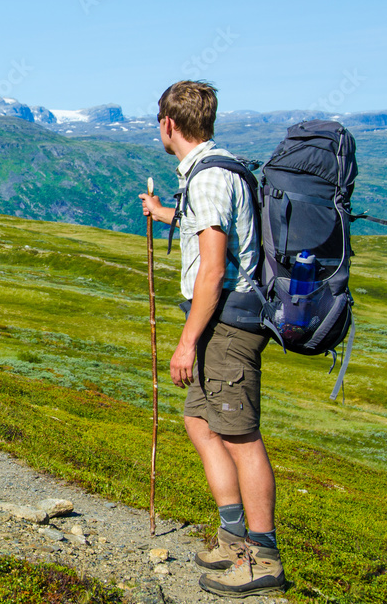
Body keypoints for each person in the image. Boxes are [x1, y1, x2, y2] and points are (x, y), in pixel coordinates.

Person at [139, 80, 287, 598]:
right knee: (200, 421)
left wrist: (186, 342)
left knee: (240, 436)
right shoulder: (217, 168)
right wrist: (165, 214)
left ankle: (263, 556)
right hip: (222, 322)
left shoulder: (206, 179)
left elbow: (213, 268)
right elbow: (212, 229)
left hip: (227, 323)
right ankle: (231, 538)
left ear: (168, 125)